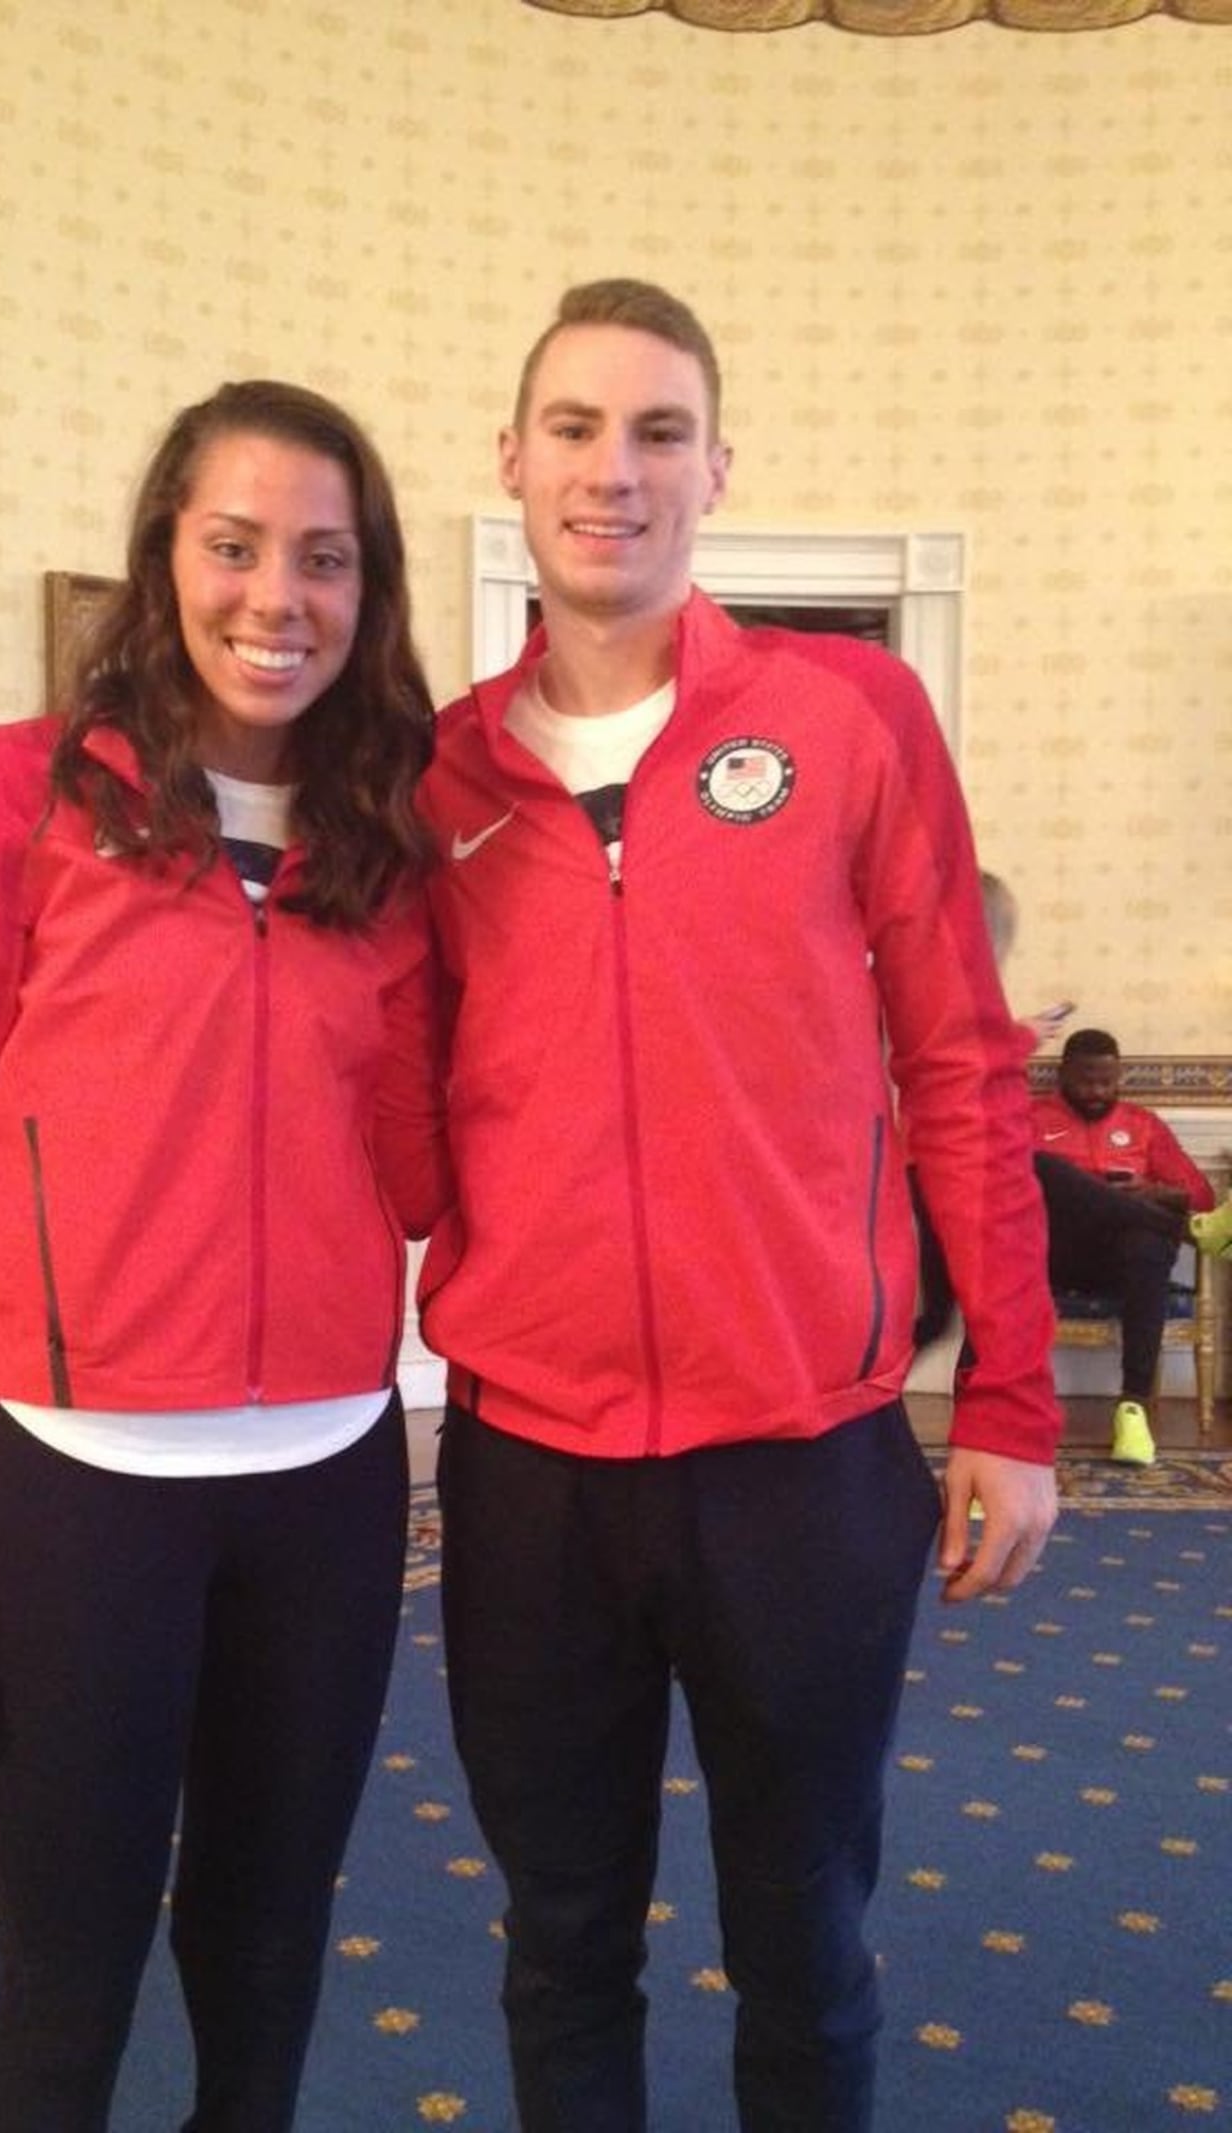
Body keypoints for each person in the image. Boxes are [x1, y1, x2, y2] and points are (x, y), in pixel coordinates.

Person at [414, 279, 1062, 2133]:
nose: (612, 470)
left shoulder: (850, 712)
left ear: (717, 469)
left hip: (805, 1456)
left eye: (657, 431)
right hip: (532, 1466)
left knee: (804, 1937)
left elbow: (960, 1058)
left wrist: (1008, 1403)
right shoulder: (441, 768)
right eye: (575, 428)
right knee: (559, 1938)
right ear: (513, 461)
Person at [0, 381, 447, 2133]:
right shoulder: (11, 799)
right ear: (165, 556)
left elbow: (425, 1172)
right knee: (69, 1982)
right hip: (69, 1486)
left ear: (372, 586)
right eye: (237, 545)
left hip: (328, 1480)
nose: (280, 595)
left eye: (325, 559)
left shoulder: (388, 845)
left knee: (267, 1967)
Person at [1031, 1026, 1213, 1467]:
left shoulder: (1142, 1124)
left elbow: (1201, 1197)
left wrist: (1149, 1192)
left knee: (1147, 1244)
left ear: (1120, 1077)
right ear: (1063, 1076)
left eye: (1107, 1082)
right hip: (1055, 1254)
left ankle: (1132, 1407)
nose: (1097, 1091)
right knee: (1055, 1176)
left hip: (1125, 1261)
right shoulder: (1030, 1119)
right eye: (1086, 1081)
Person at [911, 869, 1073, 1349]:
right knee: (975, 1312)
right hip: (950, 1165)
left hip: (940, 1163)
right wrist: (1022, 1036)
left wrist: (1019, 1034)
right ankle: (1192, 1228)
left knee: (954, 1316)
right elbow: (957, 1057)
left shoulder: (940, 990)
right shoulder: (943, 990)